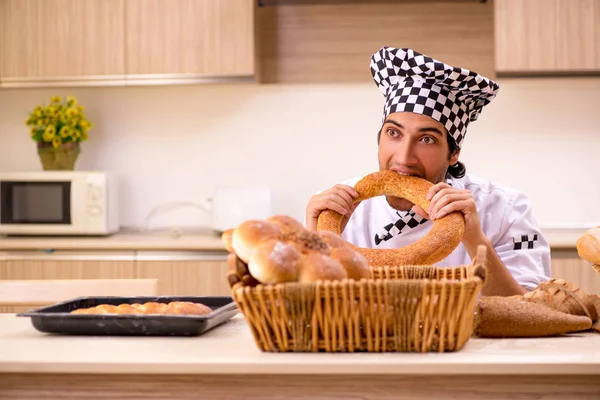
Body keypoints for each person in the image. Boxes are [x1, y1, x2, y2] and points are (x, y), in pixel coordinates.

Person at [305, 46, 551, 296]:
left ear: (454, 153)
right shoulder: (338, 208)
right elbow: (307, 314)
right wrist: (314, 246)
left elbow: (528, 308)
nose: (403, 157)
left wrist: (474, 239)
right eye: (394, 133)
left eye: (427, 139)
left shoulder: (505, 209)